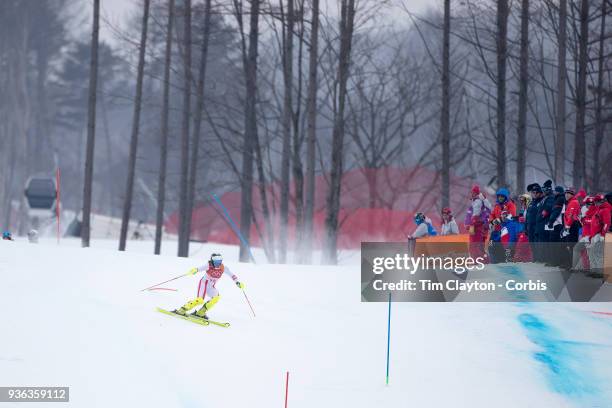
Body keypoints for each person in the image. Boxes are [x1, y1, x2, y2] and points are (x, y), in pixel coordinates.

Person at [173, 253, 244, 320]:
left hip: (211, 287)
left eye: (219, 261)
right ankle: (182, 309)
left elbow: (232, 275)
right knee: (200, 300)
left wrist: (238, 282)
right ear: (212, 261)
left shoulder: (223, 268)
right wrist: (194, 270)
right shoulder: (208, 265)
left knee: (216, 298)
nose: (218, 264)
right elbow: (198, 269)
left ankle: (201, 312)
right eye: (216, 262)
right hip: (204, 284)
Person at [465, 185, 492, 260]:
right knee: (477, 246)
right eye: (471, 192)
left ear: (475, 193)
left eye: (473, 192)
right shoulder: (479, 201)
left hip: (478, 227)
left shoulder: (478, 201)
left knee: (475, 246)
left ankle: (479, 261)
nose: (471, 194)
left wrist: (471, 225)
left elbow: (475, 216)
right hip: (480, 227)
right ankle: (482, 261)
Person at [535, 180, 555, 263]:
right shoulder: (545, 198)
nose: (543, 191)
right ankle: (541, 259)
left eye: (545, 189)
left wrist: (539, 217)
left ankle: (545, 260)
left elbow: (546, 211)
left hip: (544, 223)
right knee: (541, 242)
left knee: (544, 243)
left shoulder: (550, 198)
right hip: (540, 224)